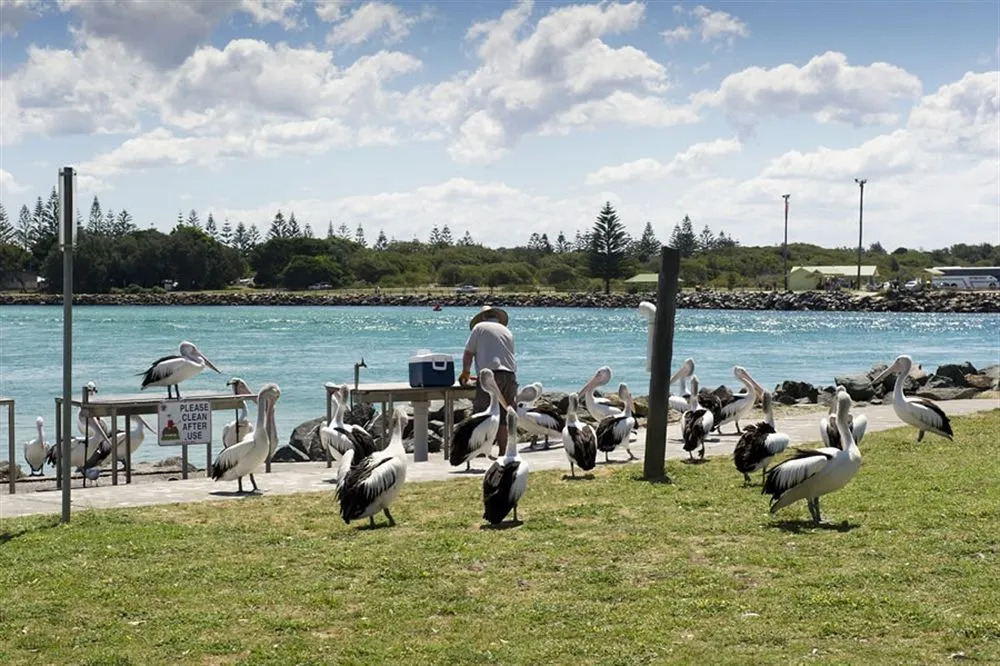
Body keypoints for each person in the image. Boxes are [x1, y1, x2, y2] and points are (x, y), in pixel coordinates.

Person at [459, 305, 517, 455]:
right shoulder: (507, 331)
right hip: (510, 376)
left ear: (483, 317)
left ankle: (478, 451)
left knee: (483, 415)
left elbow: (468, 353)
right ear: (497, 317)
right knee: (504, 416)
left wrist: (466, 373)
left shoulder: (479, 327)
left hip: (490, 376)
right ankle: (503, 452)